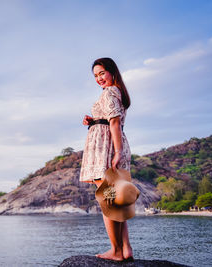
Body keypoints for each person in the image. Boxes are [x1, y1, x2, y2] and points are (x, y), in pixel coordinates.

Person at [79, 57, 133, 261]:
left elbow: (115, 121)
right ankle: (126, 249)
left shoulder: (110, 91)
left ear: (112, 72)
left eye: (102, 73)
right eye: (95, 76)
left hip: (106, 148)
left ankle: (117, 251)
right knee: (116, 200)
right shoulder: (115, 92)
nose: (99, 78)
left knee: (108, 199)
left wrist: (117, 152)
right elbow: (109, 118)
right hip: (110, 145)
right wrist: (92, 120)